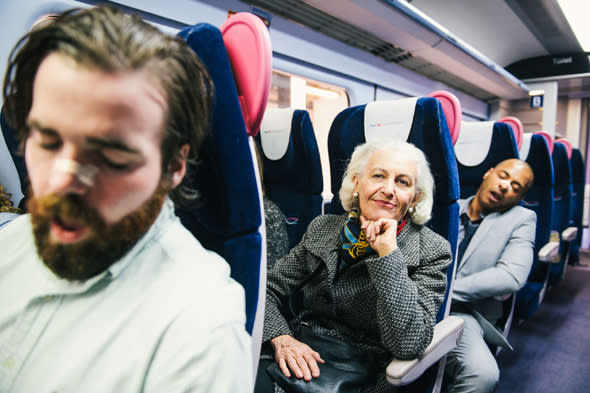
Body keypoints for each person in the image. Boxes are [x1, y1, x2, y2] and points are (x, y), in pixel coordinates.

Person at [0, 6, 252, 393]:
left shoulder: (198, 332)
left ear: (174, 165)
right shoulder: (9, 244)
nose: (63, 182)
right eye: (47, 141)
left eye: (113, 158)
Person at [254, 139, 452, 393]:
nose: (389, 189)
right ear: (356, 182)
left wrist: (387, 255)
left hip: (366, 373)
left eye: (402, 182)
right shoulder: (323, 228)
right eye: (378, 176)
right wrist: (281, 338)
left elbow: (408, 344)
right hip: (302, 347)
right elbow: (267, 290)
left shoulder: (432, 250)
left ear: (414, 198)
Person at [444, 158, 536, 393]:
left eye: (516, 187)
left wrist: (445, 293)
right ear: (488, 173)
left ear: (519, 198)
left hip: (463, 313)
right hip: (413, 300)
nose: (506, 186)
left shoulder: (521, 220)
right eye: (503, 176)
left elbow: (511, 276)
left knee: (482, 375)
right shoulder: (446, 207)